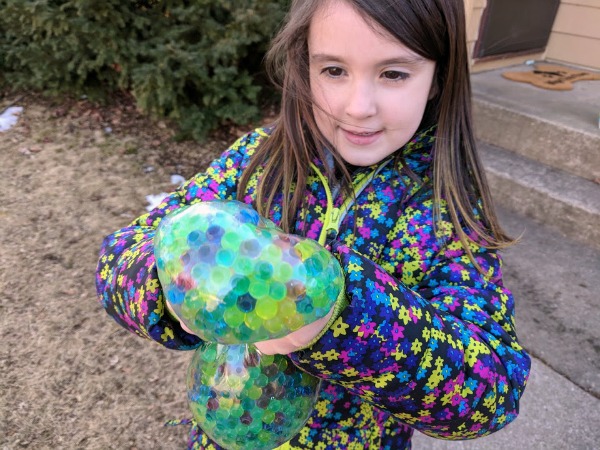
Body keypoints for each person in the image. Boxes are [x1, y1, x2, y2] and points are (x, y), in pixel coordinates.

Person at [96, 0, 531, 448]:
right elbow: (121, 255)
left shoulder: (443, 214)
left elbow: (491, 392)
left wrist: (339, 316)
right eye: (334, 71)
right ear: (304, 65)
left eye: (394, 74)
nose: (358, 107)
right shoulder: (257, 161)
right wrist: (173, 288)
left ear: (438, 76)